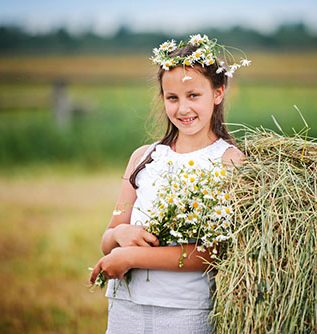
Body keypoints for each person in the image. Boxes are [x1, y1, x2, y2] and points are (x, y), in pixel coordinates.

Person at [90, 34, 249, 334]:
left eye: (193, 96)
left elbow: (213, 251)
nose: (182, 108)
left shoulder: (229, 162)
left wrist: (132, 256)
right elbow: (107, 239)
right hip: (127, 306)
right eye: (172, 98)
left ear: (218, 93)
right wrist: (121, 234)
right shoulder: (143, 158)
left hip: (186, 310)